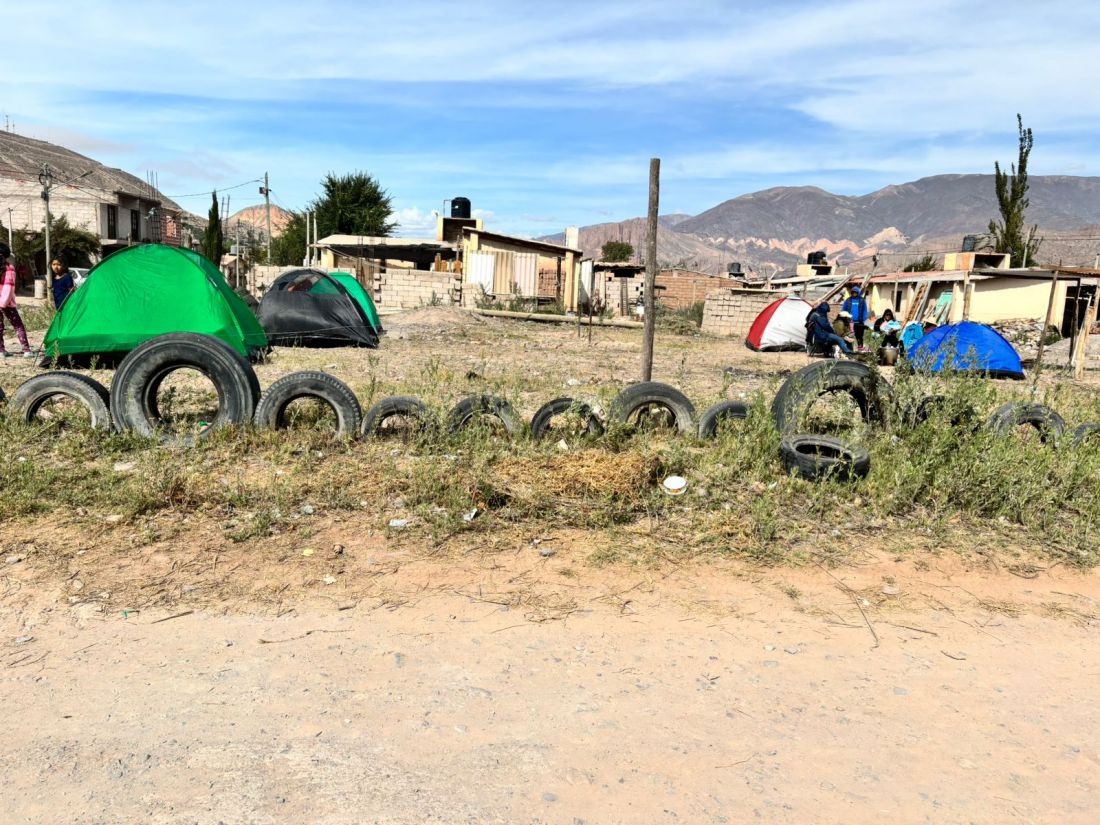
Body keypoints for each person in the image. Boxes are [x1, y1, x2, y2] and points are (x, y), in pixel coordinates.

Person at [0, 248, 34, 357]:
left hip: (2, 302)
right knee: (18, 325)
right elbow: (8, 288)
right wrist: (3, 303)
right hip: (7, 303)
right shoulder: (9, 268)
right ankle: (26, 350)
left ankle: (1, 351)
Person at [842, 286, 872, 351]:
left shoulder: (862, 300)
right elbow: (843, 309)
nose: (854, 293)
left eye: (855, 292)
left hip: (859, 322)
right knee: (849, 336)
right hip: (850, 322)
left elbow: (865, 310)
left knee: (859, 337)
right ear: (851, 292)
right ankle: (849, 350)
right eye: (853, 292)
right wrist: (845, 318)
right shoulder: (848, 300)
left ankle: (860, 349)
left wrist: (863, 318)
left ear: (858, 293)